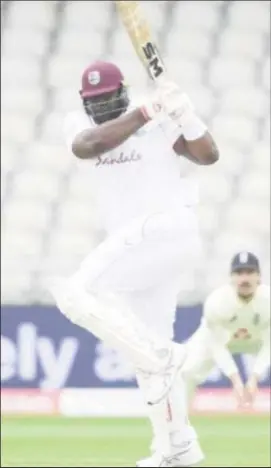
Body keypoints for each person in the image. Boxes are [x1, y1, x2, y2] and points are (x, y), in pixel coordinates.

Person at [49, 60, 219, 467]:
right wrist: (146, 112)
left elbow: (207, 155)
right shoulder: (79, 123)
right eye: (94, 101)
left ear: (123, 91)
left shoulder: (156, 114)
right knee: (150, 367)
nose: (101, 105)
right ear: (82, 102)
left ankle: (162, 354)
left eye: (107, 98)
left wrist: (186, 115)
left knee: (75, 293)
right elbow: (88, 146)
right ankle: (177, 447)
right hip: (137, 252)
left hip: (167, 230)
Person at [182, 252, 270, 409]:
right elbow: (216, 346)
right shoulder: (217, 302)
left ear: (259, 277)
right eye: (239, 273)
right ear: (231, 278)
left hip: (256, 341)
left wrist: (254, 378)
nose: (244, 279)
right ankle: (177, 423)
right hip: (219, 340)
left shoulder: (267, 301)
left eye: (250, 272)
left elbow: (269, 345)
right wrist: (235, 380)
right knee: (185, 371)